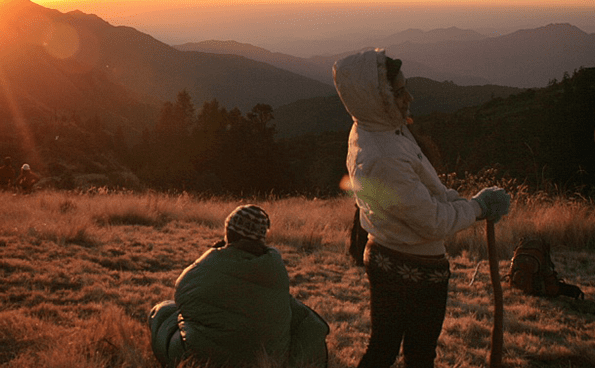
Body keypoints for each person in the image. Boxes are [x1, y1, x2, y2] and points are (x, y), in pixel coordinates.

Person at [332, 49, 510, 368]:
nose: (409, 97)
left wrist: (462, 202)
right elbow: (431, 223)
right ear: (377, 98)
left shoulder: (380, 130)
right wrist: (479, 208)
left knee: (385, 347)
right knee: (416, 353)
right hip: (409, 269)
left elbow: (428, 192)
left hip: (390, 257)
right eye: (399, 91)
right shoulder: (383, 154)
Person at [148, 204, 330, 368]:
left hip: (203, 361)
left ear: (228, 233)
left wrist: (214, 253)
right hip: (266, 360)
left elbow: (181, 295)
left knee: (163, 311)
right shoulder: (275, 268)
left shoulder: (203, 268)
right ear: (261, 239)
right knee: (296, 312)